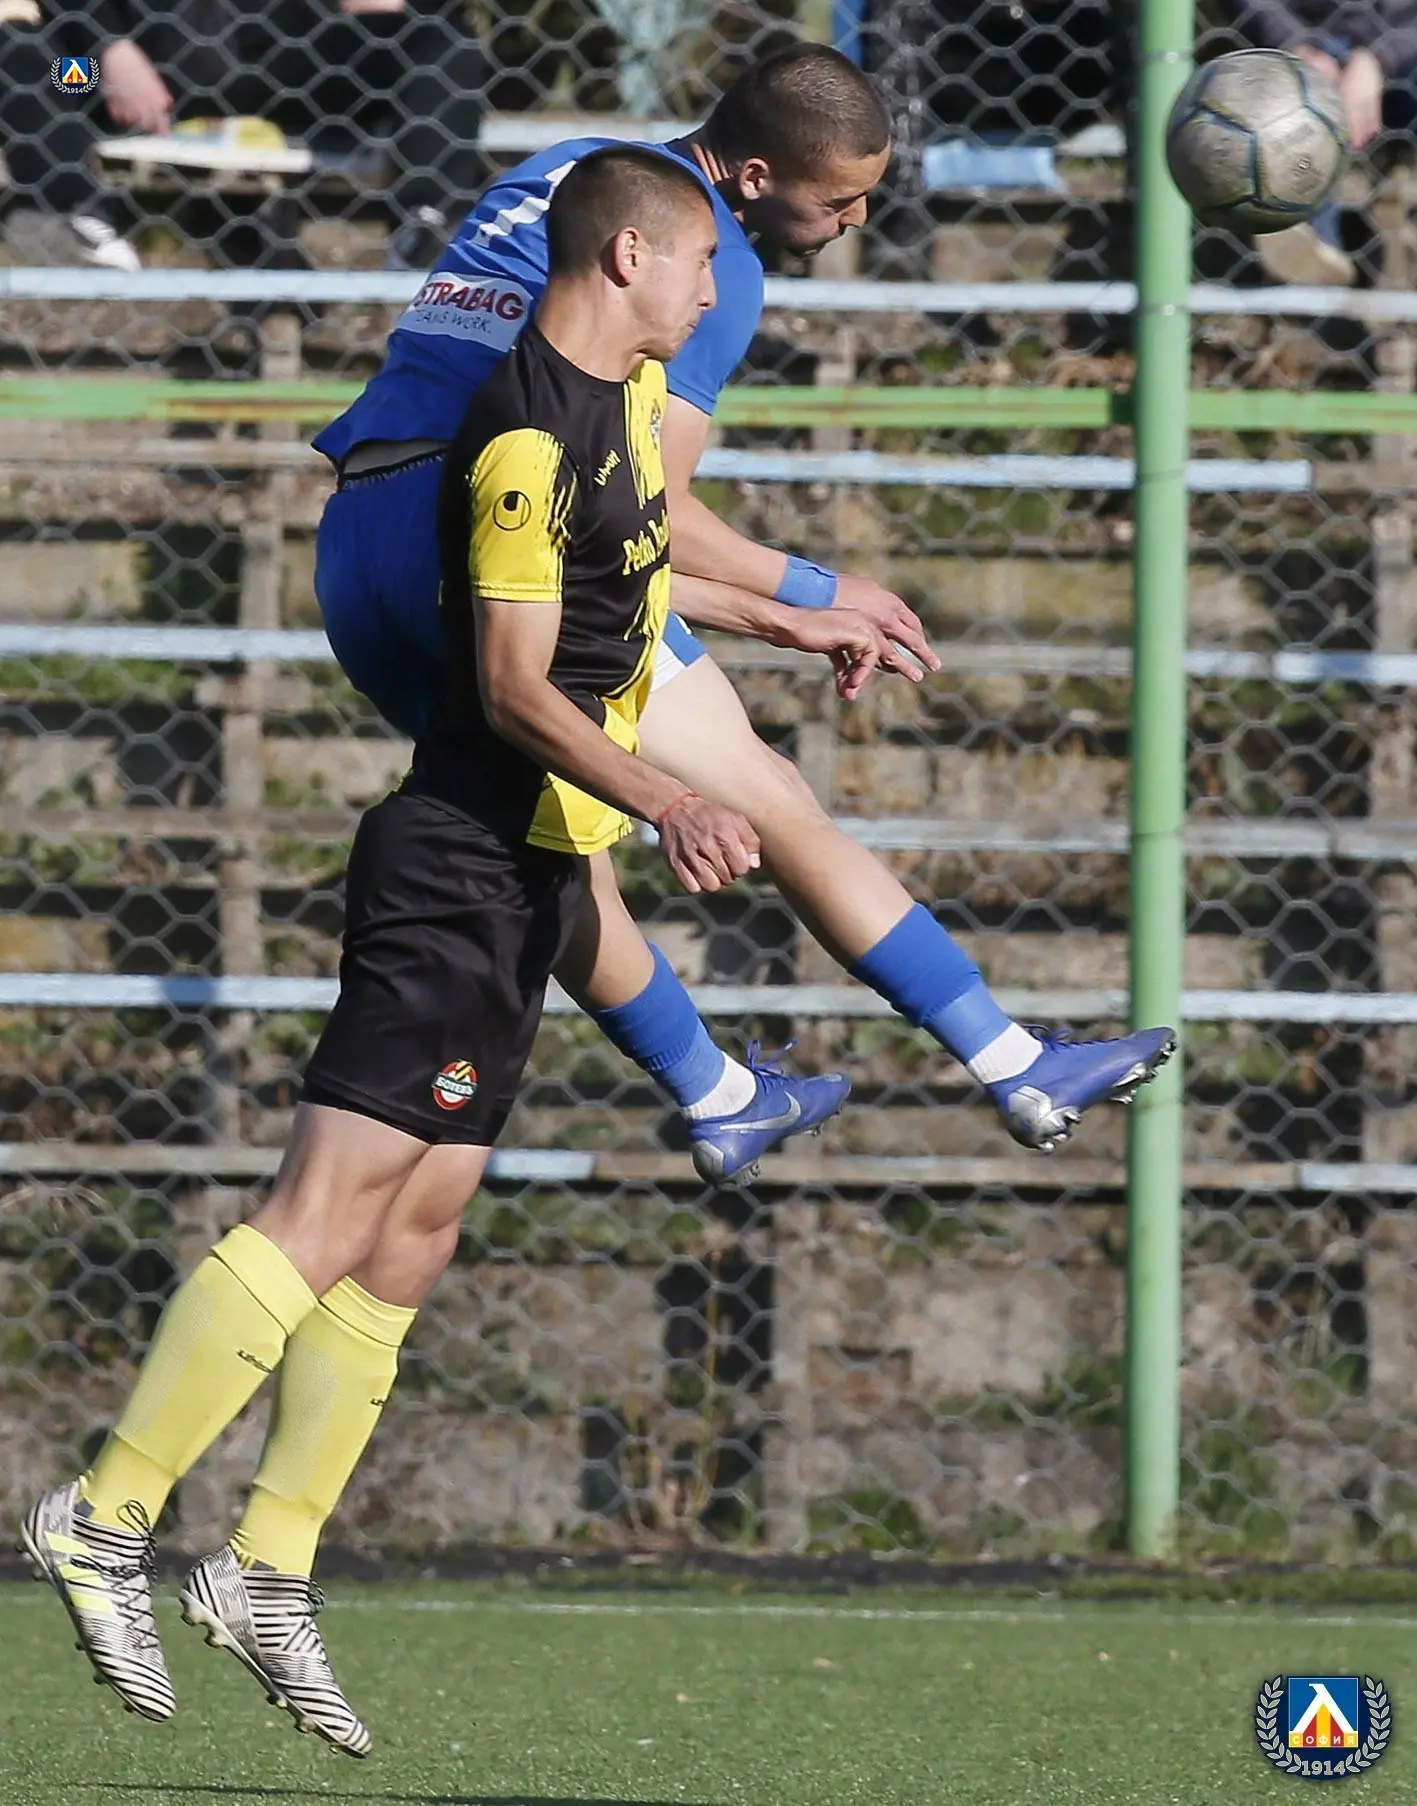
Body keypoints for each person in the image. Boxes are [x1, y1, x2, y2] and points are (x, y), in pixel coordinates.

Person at [21, 145, 761, 1755]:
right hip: (455, 870)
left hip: (531, 876)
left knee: (411, 1236)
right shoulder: (521, 437)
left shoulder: (629, 401)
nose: (723, 290)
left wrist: (810, 612)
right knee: (324, 1212)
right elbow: (511, 687)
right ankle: (103, 1511)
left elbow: (648, 565)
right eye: (705, 261)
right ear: (630, 257)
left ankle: (266, 1566)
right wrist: (672, 797)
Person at [315, 41, 1177, 1176]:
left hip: (357, 541)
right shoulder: (692, 261)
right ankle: (1008, 1059)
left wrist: (776, 615)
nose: (857, 219)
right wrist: (813, 589)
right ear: (757, 178)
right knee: (766, 794)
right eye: (839, 199)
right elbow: (649, 506)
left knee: (546, 842)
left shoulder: (572, 169)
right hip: (485, 524)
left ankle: (716, 1090)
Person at [84, 0, 486, 269]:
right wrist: (108, 46)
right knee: (56, 71)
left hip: (302, 66)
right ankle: (77, 212)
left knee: (445, 41)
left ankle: (426, 227)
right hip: (145, 76)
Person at [1229, 2, 1417, 286]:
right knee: (1301, 104)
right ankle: (1314, 244)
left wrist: (1377, 59)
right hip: (1302, 42)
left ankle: (1396, 199)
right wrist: (1295, 45)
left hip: (1402, 41)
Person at [0, 12, 141, 268]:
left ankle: (74, 222)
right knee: (24, 50)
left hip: (170, 74)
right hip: (87, 68)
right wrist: (111, 48)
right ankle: (78, 220)